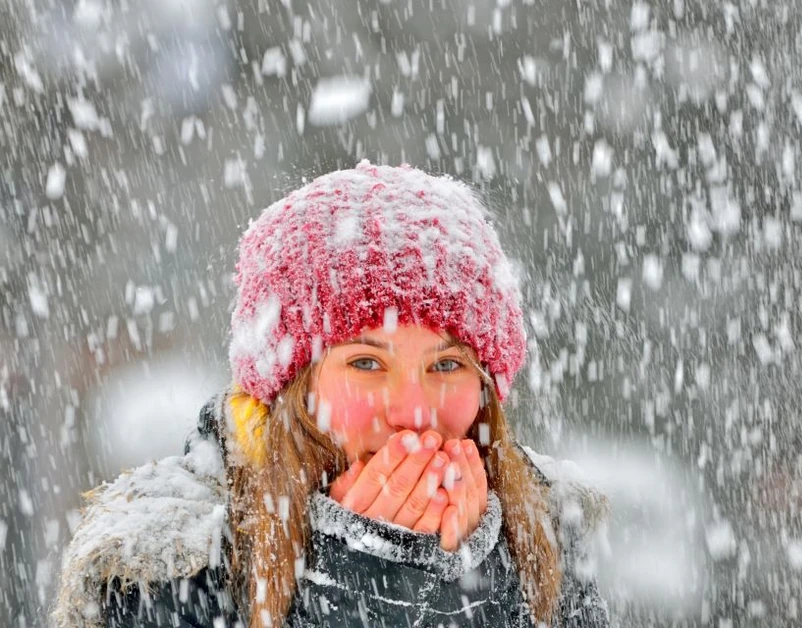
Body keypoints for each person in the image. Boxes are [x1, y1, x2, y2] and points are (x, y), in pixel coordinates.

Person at [52, 161, 611, 627]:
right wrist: (358, 596)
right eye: (367, 362)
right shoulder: (165, 569)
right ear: (290, 389)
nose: (414, 410)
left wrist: (472, 592)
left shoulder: (541, 537)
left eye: (447, 364)